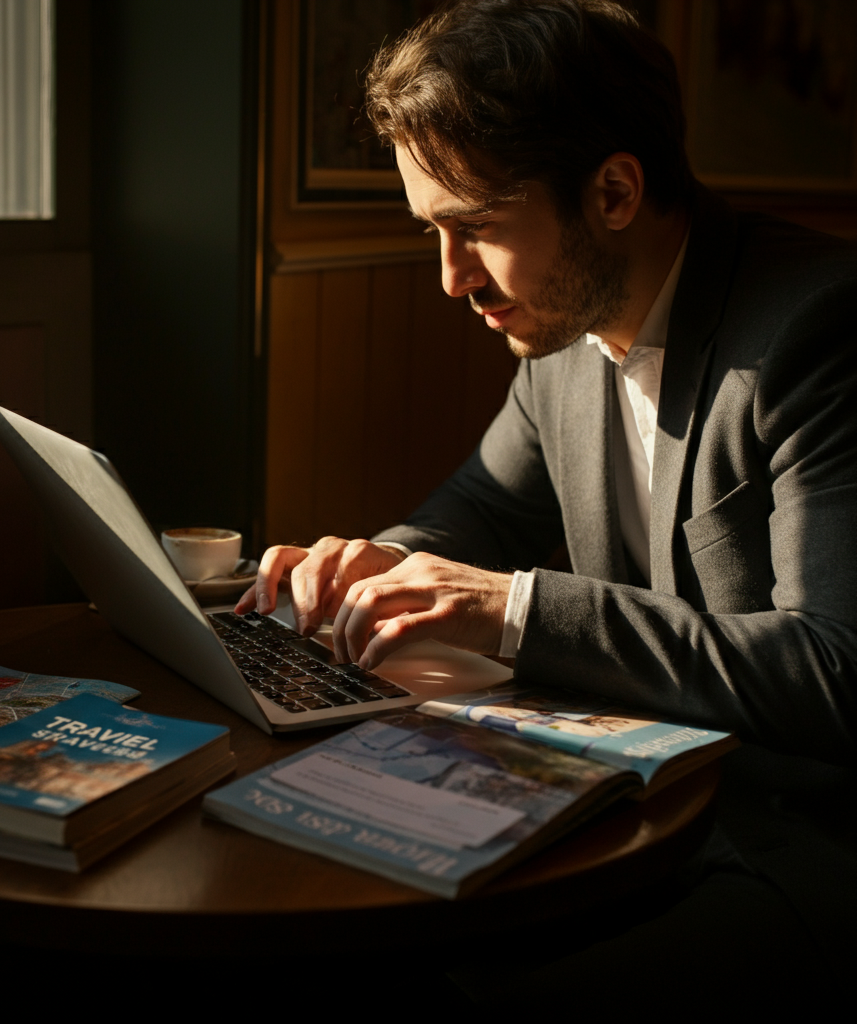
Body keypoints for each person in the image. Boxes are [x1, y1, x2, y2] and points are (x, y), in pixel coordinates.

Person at [238, 0, 855, 1002]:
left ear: (613, 189)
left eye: (474, 227)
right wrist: (376, 563)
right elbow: (474, 511)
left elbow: (837, 667)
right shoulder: (562, 338)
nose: (449, 278)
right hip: (629, 814)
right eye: (433, 232)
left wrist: (514, 609)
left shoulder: (819, 330)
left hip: (799, 846)